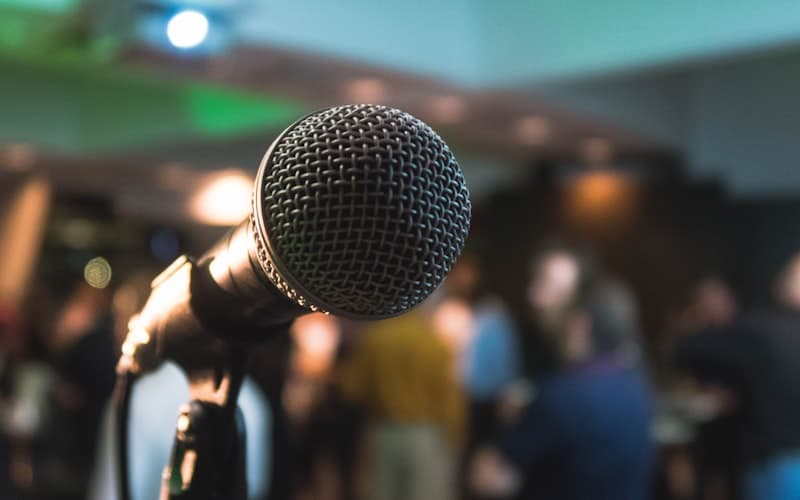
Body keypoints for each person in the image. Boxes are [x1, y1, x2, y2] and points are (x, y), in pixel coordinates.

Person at [472, 249, 654, 500]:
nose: (537, 297)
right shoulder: (635, 382)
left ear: (580, 317)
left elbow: (490, 478)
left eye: (554, 287)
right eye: (537, 281)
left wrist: (510, 425)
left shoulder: (561, 394)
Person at [676, 255, 800, 500]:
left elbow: (686, 350)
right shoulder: (763, 331)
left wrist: (695, 318)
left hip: (777, 465)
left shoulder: (763, 331)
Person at [338, 302, 465, 500]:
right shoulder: (434, 343)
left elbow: (353, 390)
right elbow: (449, 399)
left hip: (382, 431)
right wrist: (456, 438)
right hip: (425, 436)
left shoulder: (375, 339)